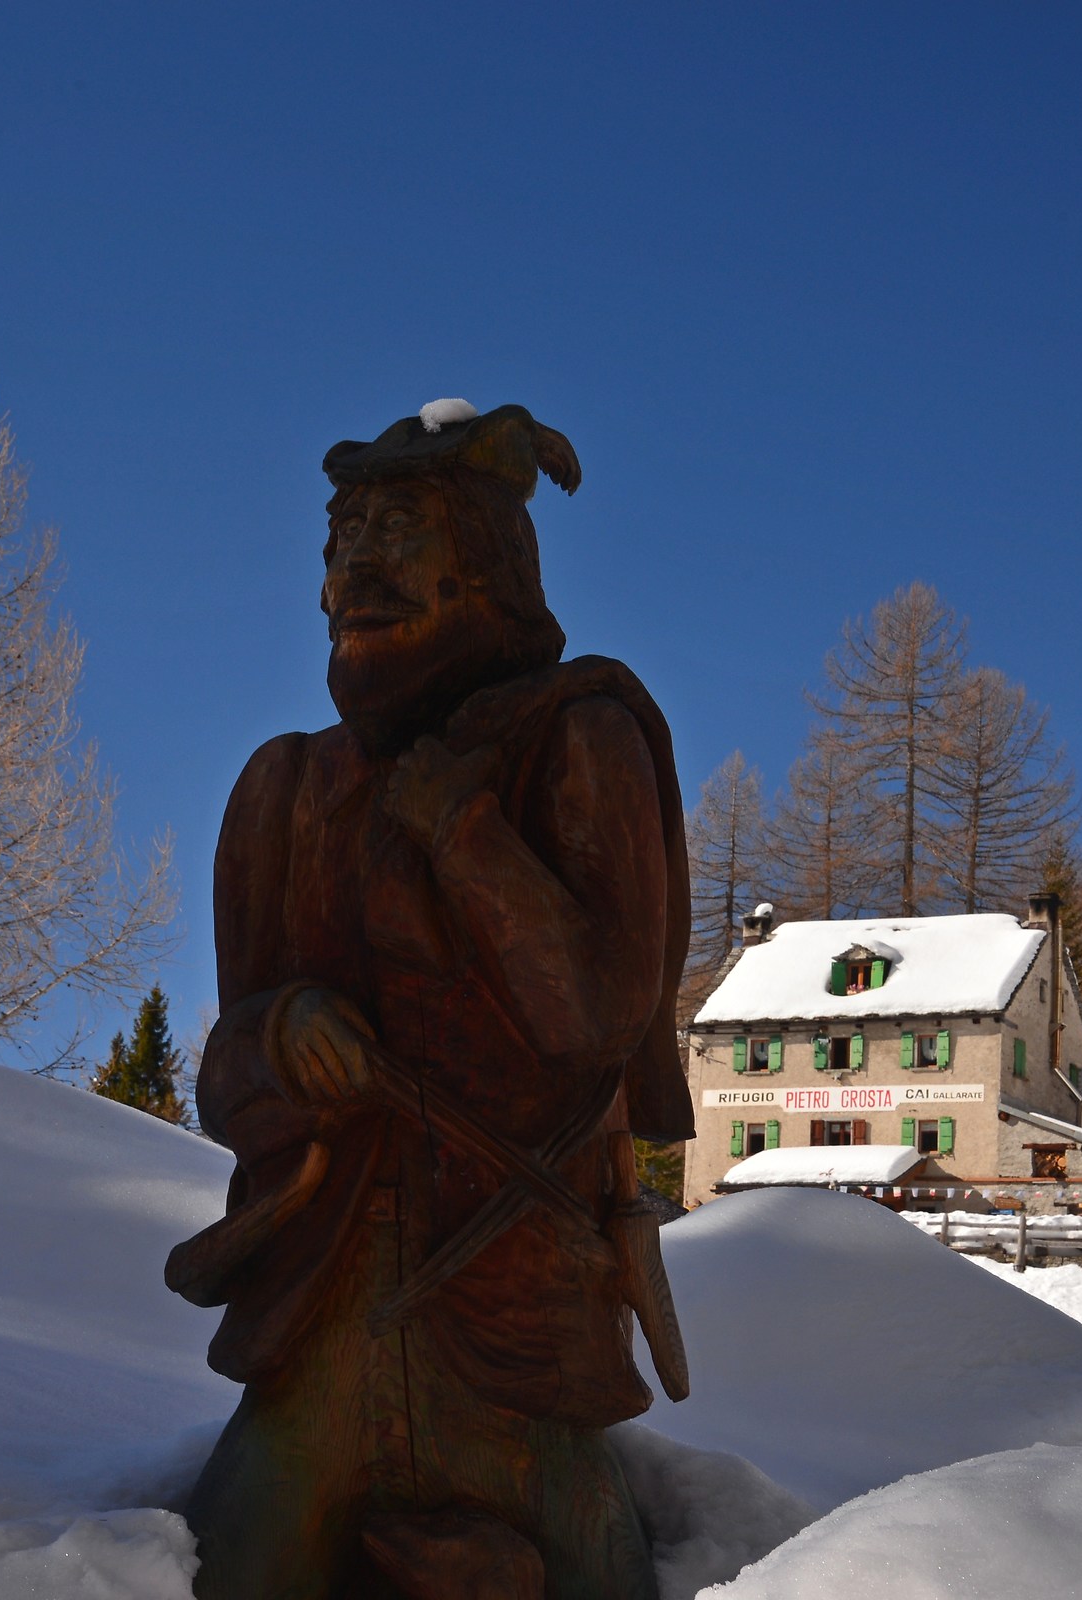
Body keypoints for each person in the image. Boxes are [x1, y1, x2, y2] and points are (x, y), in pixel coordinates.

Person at [167, 404, 692, 1600]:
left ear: (490, 562)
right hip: (322, 1329)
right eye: (339, 537)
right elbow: (223, 1078)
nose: (352, 569)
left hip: (518, 1332)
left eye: (396, 530)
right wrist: (283, 1039)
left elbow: (598, 1018)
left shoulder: (580, 738)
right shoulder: (283, 790)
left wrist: (466, 833)